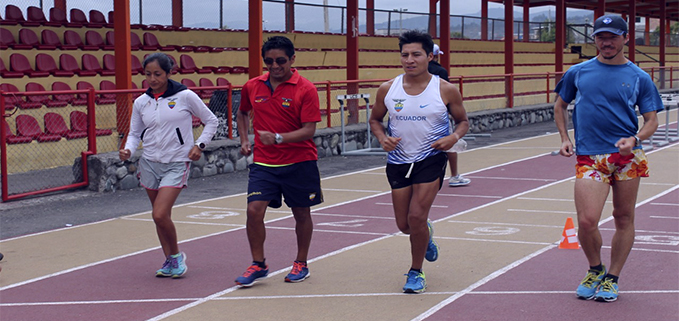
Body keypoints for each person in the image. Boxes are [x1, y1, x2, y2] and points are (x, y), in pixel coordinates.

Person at [553, 15, 663, 302]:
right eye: (601, 37)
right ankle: (595, 269)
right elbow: (560, 105)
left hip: (627, 156)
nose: (606, 42)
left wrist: (636, 139)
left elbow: (652, 120)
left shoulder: (639, 77)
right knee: (588, 221)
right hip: (590, 156)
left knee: (623, 217)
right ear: (595, 40)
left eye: (612, 37)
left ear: (626, 38)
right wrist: (565, 138)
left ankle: (612, 277)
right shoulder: (578, 72)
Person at [369, 31, 469, 294]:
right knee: (404, 225)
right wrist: (382, 138)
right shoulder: (388, 89)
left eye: (416, 54)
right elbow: (374, 120)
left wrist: (453, 138)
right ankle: (426, 234)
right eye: (405, 55)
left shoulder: (445, 89)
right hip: (399, 161)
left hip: (430, 159)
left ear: (429, 56)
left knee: (416, 215)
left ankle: (415, 272)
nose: (409, 60)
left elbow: (463, 121)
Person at [234, 36, 323, 287]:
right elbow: (242, 113)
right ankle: (258, 264)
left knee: (301, 214)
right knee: (253, 211)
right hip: (264, 163)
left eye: (280, 61)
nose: (274, 66)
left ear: (292, 59)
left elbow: (309, 130)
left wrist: (279, 138)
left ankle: (301, 263)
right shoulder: (253, 86)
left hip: (300, 162)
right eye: (269, 61)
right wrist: (244, 139)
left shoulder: (305, 89)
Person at [120, 53, 218, 278]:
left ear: (168, 73)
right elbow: (135, 133)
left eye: (157, 74)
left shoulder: (185, 96)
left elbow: (212, 120)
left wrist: (199, 145)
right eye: (148, 74)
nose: (152, 79)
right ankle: (170, 261)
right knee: (159, 217)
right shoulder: (141, 102)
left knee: (160, 214)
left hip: (176, 162)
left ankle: (176, 256)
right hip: (150, 163)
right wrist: (128, 150)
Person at [428, 43, 471, 187]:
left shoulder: (415, 73)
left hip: (419, 113)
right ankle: (454, 175)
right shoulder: (440, 71)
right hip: (438, 113)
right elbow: (446, 93)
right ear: (434, 55)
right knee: (449, 144)